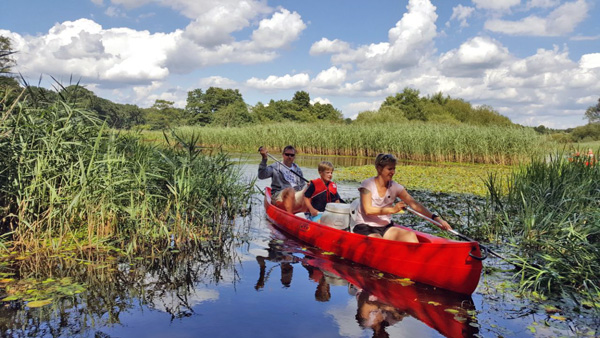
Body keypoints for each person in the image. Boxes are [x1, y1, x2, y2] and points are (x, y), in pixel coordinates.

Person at [353, 153, 452, 243]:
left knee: (410, 236)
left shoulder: (395, 187)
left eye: (394, 168)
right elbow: (368, 210)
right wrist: (393, 210)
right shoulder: (367, 184)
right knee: (379, 241)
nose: (393, 172)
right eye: (389, 169)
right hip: (365, 226)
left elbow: (414, 204)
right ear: (379, 169)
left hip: (385, 227)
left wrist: (437, 220)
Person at [258, 145, 307, 213]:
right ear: (283, 155)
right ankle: (290, 216)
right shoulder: (275, 167)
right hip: (280, 195)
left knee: (310, 187)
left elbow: (302, 185)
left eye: (292, 155)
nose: (289, 157)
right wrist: (264, 159)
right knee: (290, 190)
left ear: (294, 157)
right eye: (287, 154)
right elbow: (261, 175)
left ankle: (306, 215)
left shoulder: (297, 169)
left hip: (295, 194)